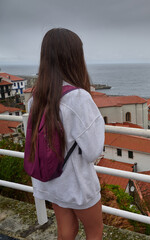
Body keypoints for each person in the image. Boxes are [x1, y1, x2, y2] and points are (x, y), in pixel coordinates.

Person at [27, 28, 104, 240]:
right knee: (95, 233)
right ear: (74, 58)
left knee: (66, 232)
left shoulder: (36, 98)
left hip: (50, 181)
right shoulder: (78, 98)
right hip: (77, 184)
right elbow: (93, 151)